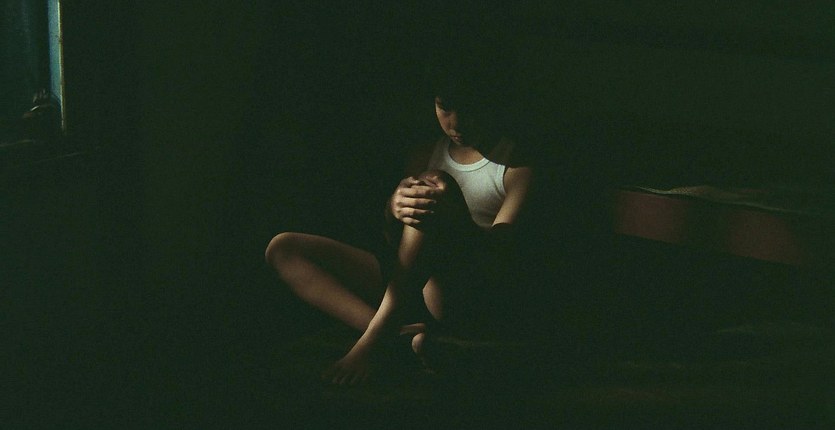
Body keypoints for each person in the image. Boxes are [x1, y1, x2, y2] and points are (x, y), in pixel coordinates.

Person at [264, 42, 533, 385]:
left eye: (468, 108)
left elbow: (499, 256)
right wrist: (394, 206)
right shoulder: (425, 152)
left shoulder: (516, 164)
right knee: (283, 248)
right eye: (445, 107)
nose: (455, 122)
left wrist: (449, 217)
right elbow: (396, 243)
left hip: (460, 290)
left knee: (433, 185)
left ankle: (374, 340)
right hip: (408, 285)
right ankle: (394, 335)